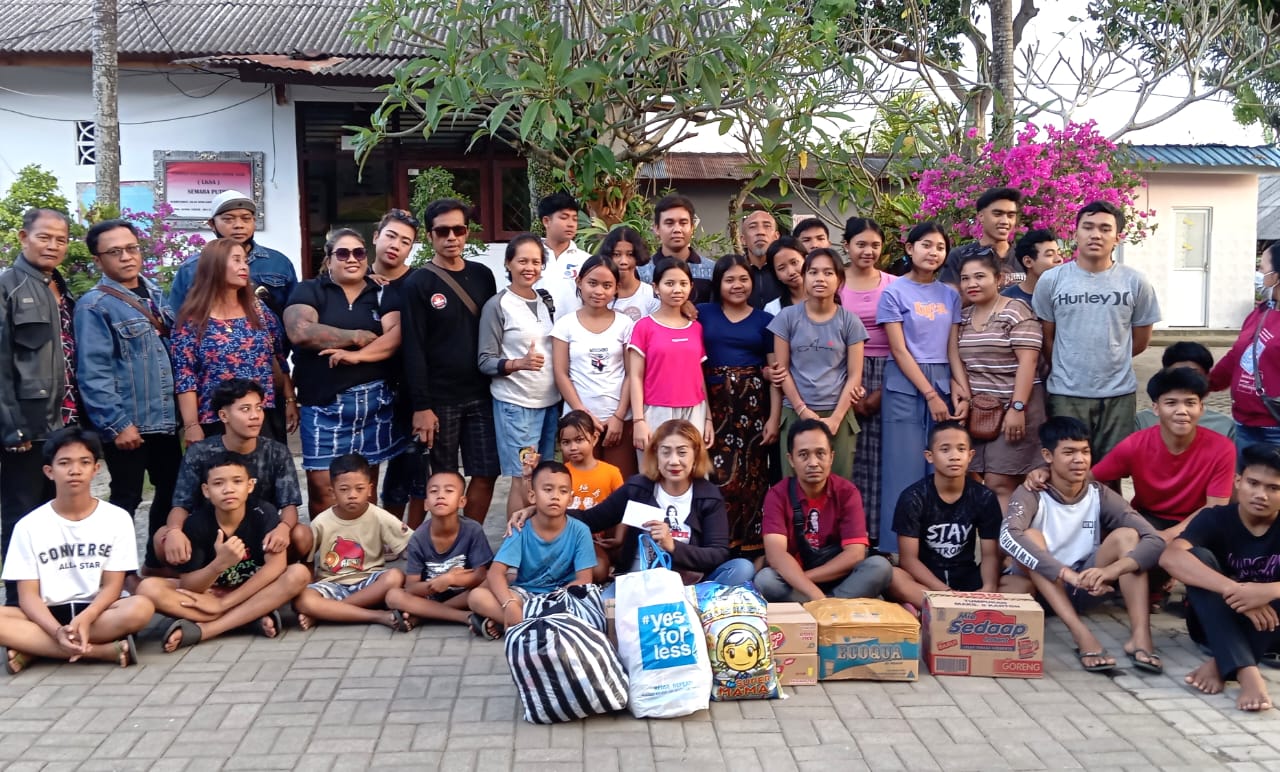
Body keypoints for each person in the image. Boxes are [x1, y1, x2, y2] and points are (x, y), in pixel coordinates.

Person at [1000, 417, 1165, 673]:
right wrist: (1065, 574)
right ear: (1047, 455)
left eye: (1085, 451)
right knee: (1030, 536)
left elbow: (1154, 539)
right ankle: (1081, 634)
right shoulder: (1032, 492)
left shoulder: (1099, 493)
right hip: (1041, 589)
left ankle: (1141, 637)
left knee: (1128, 536)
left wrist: (1110, 572)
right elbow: (1008, 536)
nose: (1079, 459)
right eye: (1069, 452)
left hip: (1086, 585)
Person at [0, 427, 153, 673]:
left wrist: (88, 616)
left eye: (84, 462)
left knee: (141, 607)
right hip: (46, 615)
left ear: (96, 469)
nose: (74, 470)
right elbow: (27, 596)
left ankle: (34, 649)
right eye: (64, 463)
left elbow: (113, 585)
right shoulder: (28, 525)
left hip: (98, 612)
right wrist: (56, 630)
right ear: (49, 472)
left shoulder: (117, 518)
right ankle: (100, 651)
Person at [74, 219, 179, 569]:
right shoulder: (94, 306)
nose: (126, 257)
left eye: (131, 248)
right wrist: (117, 424)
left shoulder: (158, 295)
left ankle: (156, 567)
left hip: (165, 421)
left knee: (170, 493)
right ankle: (111, 575)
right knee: (125, 500)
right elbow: (93, 370)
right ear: (98, 260)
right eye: (114, 252)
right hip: (130, 423)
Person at [285, 229, 405, 516]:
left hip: (373, 404)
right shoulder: (309, 290)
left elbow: (396, 335)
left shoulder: (381, 293)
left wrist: (355, 356)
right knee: (322, 490)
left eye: (359, 253)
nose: (352, 259)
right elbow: (300, 332)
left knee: (363, 490)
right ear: (329, 259)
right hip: (323, 404)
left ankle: (363, 556)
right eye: (343, 253)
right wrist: (357, 336)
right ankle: (328, 556)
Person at [137, 453, 311, 651]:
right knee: (148, 588)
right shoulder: (196, 523)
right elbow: (189, 584)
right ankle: (251, 617)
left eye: (237, 481)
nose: (228, 489)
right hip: (213, 593)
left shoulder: (264, 513)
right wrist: (219, 565)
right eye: (218, 483)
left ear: (250, 486)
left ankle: (208, 629)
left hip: (251, 590)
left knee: (298, 574)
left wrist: (224, 604)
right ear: (206, 490)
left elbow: (276, 567)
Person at [557, 419, 755, 593]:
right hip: (639, 581)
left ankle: (690, 601)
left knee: (742, 568)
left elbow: (717, 553)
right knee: (604, 608)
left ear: (695, 456)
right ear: (655, 455)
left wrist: (672, 546)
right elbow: (591, 519)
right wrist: (545, 511)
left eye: (682, 452)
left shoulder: (708, 495)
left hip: (691, 585)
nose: (673, 461)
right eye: (666, 452)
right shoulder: (638, 488)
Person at [1033, 200, 1161, 461]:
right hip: (1066, 393)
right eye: (1088, 227)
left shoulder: (1136, 282)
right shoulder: (1052, 280)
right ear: (1075, 234)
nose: (1095, 235)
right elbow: (1047, 338)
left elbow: (1140, 340)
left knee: (1111, 471)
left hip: (1117, 395)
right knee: (1066, 466)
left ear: (1117, 237)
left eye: (1105, 228)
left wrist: (1112, 358)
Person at [400, 199, 499, 523]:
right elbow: (412, 346)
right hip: (439, 401)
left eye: (459, 229)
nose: (452, 237)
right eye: (443, 231)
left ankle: (468, 542)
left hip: (482, 395)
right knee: (444, 480)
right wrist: (421, 406)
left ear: (467, 232)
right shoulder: (418, 283)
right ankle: (445, 544)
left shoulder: (483, 276)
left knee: (487, 472)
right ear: (430, 236)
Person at [1161, 444, 1280, 711]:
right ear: (1238, 481)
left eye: (1274, 488)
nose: (1261, 495)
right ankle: (1249, 673)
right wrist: (1234, 589)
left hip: (1272, 622)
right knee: (1198, 558)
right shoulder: (1214, 518)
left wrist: (1268, 591)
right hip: (1213, 621)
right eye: (1253, 483)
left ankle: (1221, 663)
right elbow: (1170, 557)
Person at [0, 208, 76, 606]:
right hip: (27, 428)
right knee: (22, 516)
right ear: (22, 237)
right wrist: (11, 427)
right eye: (44, 237)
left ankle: (59, 599)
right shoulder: (8, 286)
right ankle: (17, 604)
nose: (53, 246)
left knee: (60, 516)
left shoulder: (60, 287)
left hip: (65, 423)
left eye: (61, 239)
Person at [877, 222, 969, 552]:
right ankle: (897, 551)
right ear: (909, 249)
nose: (933, 252)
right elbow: (899, 350)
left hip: (944, 379)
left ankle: (937, 547)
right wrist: (929, 393)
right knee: (902, 467)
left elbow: (953, 347)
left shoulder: (950, 294)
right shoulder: (893, 292)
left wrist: (961, 388)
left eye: (940, 247)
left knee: (942, 466)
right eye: (926, 245)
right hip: (904, 385)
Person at [156, 379, 308, 567]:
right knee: (162, 536)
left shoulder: (276, 451)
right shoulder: (200, 452)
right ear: (224, 415)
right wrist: (174, 531)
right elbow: (181, 504)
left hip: (261, 533)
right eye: (245, 409)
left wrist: (283, 528)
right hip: (211, 535)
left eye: (259, 408)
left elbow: (289, 505)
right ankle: (186, 581)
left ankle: (282, 575)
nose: (255, 416)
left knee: (301, 534)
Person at [171, 238, 298, 443]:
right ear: (215, 267)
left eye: (245, 261)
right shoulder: (192, 320)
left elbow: (278, 357)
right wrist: (191, 425)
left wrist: (290, 399)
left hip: (261, 415)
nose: (244, 267)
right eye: (236, 260)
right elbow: (185, 376)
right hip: (216, 419)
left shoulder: (258, 310)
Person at [754, 419, 893, 602]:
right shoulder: (777, 494)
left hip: (836, 579)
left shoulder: (847, 492)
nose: (813, 463)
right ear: (791, 460)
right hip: (797, 581)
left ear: (831, 457)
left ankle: (823, 607)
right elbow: (776, 555)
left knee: (880, 567)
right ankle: (836, 609)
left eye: (820, 453)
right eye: (803, 455)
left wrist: (814, 590)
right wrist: (813, 592)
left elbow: (855, 553)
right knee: (766, 580)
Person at [1089, 368, 1235, 540]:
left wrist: (1167, 536)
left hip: (1198, 521)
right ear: (1156, 408)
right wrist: (1049, 474)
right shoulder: (1135, 444)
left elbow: (1214, 508)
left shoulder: (1222, 448)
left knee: (1187, 555)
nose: (1182, 411)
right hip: (1147, 518)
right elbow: (1090, 477)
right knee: (1124, 540)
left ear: (1201, 408)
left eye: (1190, 403)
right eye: (1171, 403)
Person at [700, 255, 779, 559]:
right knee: (714, 474)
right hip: (714, 406)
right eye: (729, 279)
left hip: (753, 407)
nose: (737, 285)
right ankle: (716, 545)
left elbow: (775, 373)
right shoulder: (702, 314)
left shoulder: (765, 320)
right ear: (718, 283)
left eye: (743, 279)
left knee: (752, 478)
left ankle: (750, 549)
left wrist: (773, 417)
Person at [478, 233, 561, 517]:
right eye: (522, 260)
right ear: (508, 263)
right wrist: (518, 364)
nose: (530, 267)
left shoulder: (545, 299)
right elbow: (485, 361)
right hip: (517, 405)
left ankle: (537, 538)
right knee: (522, 477)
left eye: (536, 262)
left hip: (550, 402)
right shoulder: (498, 305)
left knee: (542, 477)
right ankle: (515, 542)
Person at [956, 251, 1045, 508]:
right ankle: (990, 546)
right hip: (979, 411)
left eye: (979, 277)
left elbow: (1028, 363)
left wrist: (1017, 408)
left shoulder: (1016, 311)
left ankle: (1009, 546)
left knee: (1000, 482)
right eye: (965, 278)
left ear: (999, 278)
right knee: (975, 478)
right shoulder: (963, 317)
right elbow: (959, 361)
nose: (971, 284)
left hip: (1015, 406)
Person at [770, 248, 866, 481]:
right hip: (795, 412)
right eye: (813, 272)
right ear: (804, 278)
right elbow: (781, 371)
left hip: (838, 414)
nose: (820, 278)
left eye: (828, 273)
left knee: (837, 486)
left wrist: (835, 418)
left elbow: (855, 375)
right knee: (794, 487)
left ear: (839, 280)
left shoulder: (850, 321)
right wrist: (803, 410)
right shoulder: (787, 317)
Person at [469, 460, 596, 632]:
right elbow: (495, 573)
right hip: (524, 594)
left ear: (571, 499)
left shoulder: (580, 530)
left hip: (562, 595)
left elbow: (584, 579)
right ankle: (534, 623)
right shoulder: (520, 527)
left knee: (590, 601)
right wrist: (509, 604)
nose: (555, 496)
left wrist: (554, 600)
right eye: (548, 489)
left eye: (563, 491)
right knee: (476, 597)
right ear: (532, 496)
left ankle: (515, 624)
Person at [887, 422, 1002, 607]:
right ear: (930, 456)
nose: (954, 456)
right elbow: (909, 560)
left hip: (967, 578)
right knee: (893, 576)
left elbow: (990, 555)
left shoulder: (984, 497)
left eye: (961, 449)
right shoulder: (913, 497)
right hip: (927, 582)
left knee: (1016, 582)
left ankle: (933, 610)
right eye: (945, 449)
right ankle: (947, 608)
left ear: (970, 455)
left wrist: (988, 587)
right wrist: (945, 592)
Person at [295, 454, 414, 631]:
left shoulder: (379, 516)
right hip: (332, 584)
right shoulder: (321, 522)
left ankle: (328, 613)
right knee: (303, 599)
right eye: (344, 489)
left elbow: (411, 544)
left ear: (370, 489)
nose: (352, 495)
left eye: (359, 488)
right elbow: (308, 560)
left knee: (395, 576)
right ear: (333, 492)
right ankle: (377, 616)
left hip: (370, 582)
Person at [838, 218, 896, 543]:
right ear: (846, 245)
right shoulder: (835, 283)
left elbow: (904, 342)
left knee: (882, 459)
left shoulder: (893, 284)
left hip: (888, 374)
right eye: (861, 244)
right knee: (852, 458)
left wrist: (880, 391)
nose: (868, 251)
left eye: (875, 244)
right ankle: (851, 535)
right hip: (843, 373)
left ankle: (879, 538)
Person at [551, 255, 636, 477]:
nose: (599, 291)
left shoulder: (626, 324)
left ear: (616, 288)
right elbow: (561, 373)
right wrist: (581, 411)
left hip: (618, 420)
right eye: (592, 283)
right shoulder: (565, 325)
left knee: (619, 486)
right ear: (579, 282)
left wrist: (618, 417)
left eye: (607, 285)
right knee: (578, 487)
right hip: (577, 423)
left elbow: (631, 374)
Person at [384, 469, 495, 637]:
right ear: (426, 503)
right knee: (393, 596)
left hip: (466, 595)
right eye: (434, 491)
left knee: (494, 580)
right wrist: (435, 584)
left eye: (449, 491)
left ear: (462, 501)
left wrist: (452, 579)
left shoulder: (473, 530)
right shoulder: (418, 538)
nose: (441, 496)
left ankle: (423, 617)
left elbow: (481, 575)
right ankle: (465, 617)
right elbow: (412, 587)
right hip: (430, 597)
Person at [369, 208, 426, 527]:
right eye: (391, 236)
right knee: (367, 468)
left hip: (408, 386)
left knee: (412, 462)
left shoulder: (418, 281)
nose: (395, 245)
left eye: (405, 241)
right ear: (376, 236)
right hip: (365, 387)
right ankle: (371, 532)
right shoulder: (354, 276)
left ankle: (407, 532)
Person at [167, 190, 297, 324]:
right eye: (228, 219)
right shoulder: (192, 267)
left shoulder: (278, 263)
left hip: (271, 343)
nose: (239, 225)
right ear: (212, 224)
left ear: (254, 221)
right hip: (213, 343)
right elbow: (176, 318)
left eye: (246, 218)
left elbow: (293, 314)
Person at [628, 259, 712, 451]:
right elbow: (635, 376)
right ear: (656, 288)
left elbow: (699, 376)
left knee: (690, 473)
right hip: (656, 410)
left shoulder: (696, 328)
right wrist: (639, 420)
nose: (677, 290)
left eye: (683, 284)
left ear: (691, 287)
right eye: (669, 283)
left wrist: (708, 418)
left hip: (694, 410)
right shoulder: (644, 327)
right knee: (656, 473)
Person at [1210, 244, 1280, 453]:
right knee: (1246, 484)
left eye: (1262, 267)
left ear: (1276, 275)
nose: (1259, 273)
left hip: (1275, 428)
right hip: (1244, 424)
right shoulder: (1261, 313)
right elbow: (1238, 355)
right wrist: (1204, 383)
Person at [550, 410, 625, 583]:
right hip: (561, 538)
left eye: (579, 440)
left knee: (599, 571)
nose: (573, 447)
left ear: (594, 438)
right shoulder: (560, 473)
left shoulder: (611, 472)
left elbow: (623, 507)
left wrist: (620, 537)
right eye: (566, 442)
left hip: (593, 541)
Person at [1135, 342, 1234, 439]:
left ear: (1207, 378)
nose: (1184, 380)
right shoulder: (1142, 421)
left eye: (1193, 374)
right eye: (1177, 374)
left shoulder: (1225, 426)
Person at [938, 187, 1023, 288]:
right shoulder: (958, 257)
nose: (1005, 221)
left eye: (1010, 216)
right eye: (997, 214)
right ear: (981, 216)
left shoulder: (1026, 258)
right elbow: (950, 299)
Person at [640, 195, 714, 303]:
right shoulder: (641, 272)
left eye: (683, 223)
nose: (677, 229)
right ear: (656, 228)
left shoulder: (712, 270)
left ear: (692, 228)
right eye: (669, 223)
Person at [535, 193, 591, 316]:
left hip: (573, 333)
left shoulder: (586, 260)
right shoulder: (530, 257)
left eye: (574, 219)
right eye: (564, 217)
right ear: (546, 221)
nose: (571, 224)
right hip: (535, 331)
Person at [1001, 229, 1061, 307]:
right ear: (1028, 262)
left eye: (1059, 253)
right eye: (1049, 254)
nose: (1059, 259)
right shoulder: (1006, 300)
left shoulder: (1067, 297)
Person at [738, 210, 782, 309]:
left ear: (776, 236)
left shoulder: (786, 270)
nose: (760, 232)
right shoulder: (734, 271)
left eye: (767, 226)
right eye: (753, 227)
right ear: (743, 239)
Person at [763, 236, 807, 315]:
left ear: (806, 260)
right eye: (781, 268)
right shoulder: (773, 309)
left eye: (794, 262)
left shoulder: (830, 298)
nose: (791, 272)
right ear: (776, 274)